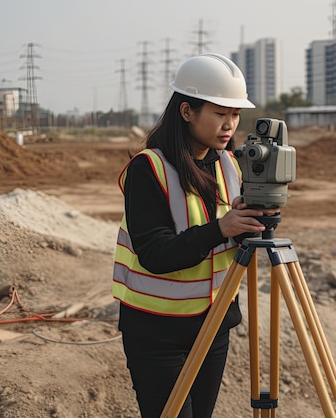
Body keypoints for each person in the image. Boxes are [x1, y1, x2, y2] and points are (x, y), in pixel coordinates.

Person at [112, 53, 276, 417]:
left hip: (213, 324)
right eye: (219, 113)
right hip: (157, 332)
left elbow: (233, 242)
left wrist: (254, 220)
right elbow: (154, 253)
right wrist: (222, 228)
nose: (229, 124)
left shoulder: (230, 164)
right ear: (187, 112)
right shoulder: (149, 168)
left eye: (235, 115)